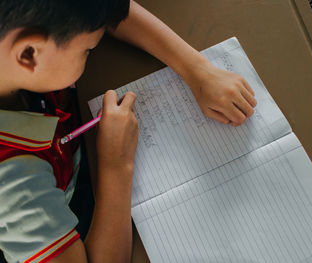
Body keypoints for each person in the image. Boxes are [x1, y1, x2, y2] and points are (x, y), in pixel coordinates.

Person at [0, 0, 257, 262]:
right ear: (29, 53)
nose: (90, 53)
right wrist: (116, 164)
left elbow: (106, 11)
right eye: (88, 50)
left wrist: (197, 69)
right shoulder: (14, 188)